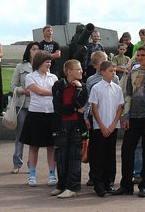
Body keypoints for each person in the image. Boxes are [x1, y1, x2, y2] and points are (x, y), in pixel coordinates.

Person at [112, 44, 145, 198]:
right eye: (138, 55)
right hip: (133, 118)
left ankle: (144, 186)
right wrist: (125, 116)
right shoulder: (133, 73)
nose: (140, 58)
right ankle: (126, 185)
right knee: (127, 152)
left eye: (143, 55)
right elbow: (128, 94)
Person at [20, 51, 59, 187]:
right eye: (46, 62)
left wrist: (54, 92)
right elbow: (39, 91)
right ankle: (32, 175)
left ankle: (52, 174)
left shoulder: (53, 77)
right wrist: (54, 92)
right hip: (35, 114)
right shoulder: (30, 77)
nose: (49, 64)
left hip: (51, 113)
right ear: (39, 62)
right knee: (34, 146)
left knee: (51, 146)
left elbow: (56, 92)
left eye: (50, 62)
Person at [51, 59, 88, 198]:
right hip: (61, 125)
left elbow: (81, 103)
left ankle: (73, 187)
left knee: (74, 157)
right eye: (78, 69)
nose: (81, 71)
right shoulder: (58, 86)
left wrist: (78, 89)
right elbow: (58, 108)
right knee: (61, 157)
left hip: (76, 126)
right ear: (69, 72)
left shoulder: (83, 87)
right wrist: (74, 109)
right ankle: (61, 185)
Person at [89, 61, 124, 197]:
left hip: (112, 127)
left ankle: (109, 182)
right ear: (103, 72)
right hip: (100, 127)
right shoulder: (96, 88)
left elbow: (119, 108)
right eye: (110, 71)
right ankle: (98, 184)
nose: (113, 73)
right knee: (98, 155)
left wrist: (113, 124)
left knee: (110, 155)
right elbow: (94, 108)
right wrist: (102, 126)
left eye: (114, 70)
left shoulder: (117, 88)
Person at [9, 41, 39, 174]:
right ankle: (17, 163)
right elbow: (12, 86)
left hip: (37, 106)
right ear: (28, 51)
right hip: (22, 105)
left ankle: (31, 164)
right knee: (20, 135)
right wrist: (23, 91)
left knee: (34, 136)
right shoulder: (20, 66)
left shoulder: (43, 67)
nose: (36, 51)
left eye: (38, 49)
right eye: (33, 49)